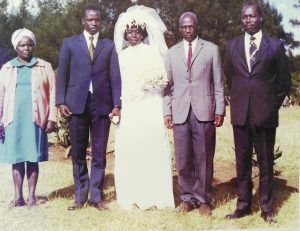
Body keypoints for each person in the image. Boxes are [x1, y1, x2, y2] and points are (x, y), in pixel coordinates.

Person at [223, 2, 291, 223]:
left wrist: (270, 105)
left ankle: (266, 207)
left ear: (261, 18)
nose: (248, 20)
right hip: (241, 113)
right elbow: (229, 77)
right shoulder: (232, 45)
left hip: (265, 115)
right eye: (244, 17)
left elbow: (283, 82)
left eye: (252, 16)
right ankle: (243, 205)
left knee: (265, 163)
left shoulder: (275, 46)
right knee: (242, 162)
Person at [56, 4, 121, 211]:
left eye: (97, 20)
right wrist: (60, 101)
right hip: (76, 104)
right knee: (77, 152)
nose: (94, 23)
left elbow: (115, 76)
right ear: (83, 21)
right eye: (90, 20)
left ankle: (96, 196)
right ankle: (79, 195)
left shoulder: (108, 46)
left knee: (99, 153)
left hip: (102, 104)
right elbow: (62, 74)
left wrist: (117, 104)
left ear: (100, 22)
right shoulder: (70, 43)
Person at [163, 12, 225, 215]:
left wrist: (220, 109)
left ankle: (204, 199)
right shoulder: (171, 53)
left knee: (204, 157)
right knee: (183, 158)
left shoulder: (211, 50)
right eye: (184, 27)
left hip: (205, 111)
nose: (188, 30)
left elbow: (218, 83)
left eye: (191, 26)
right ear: (179, 29)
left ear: (197, 26)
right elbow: (167, 86)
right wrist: (167, 111)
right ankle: (187, 198)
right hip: (180, 111)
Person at [113, 5, 175, 210]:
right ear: (125, 34)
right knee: (132, 146)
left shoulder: (152, 52)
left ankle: (154, 194)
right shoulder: (121, 55)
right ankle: (133, 193)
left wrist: (149, 86)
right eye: (130, 32)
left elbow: (161, 78)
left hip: (149, 104)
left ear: (142, 33)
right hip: (130, 106)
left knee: (151, 145)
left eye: (137, 31)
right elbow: (118, 81)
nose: (133, 35)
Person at [0, 28, 56, 208]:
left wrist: (52, 117)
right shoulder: (7, 67)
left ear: (34, 46)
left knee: (32, 158)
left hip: (35, 118)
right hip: (12, 119)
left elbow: (53, 93)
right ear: (16, 47)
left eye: (30, 44)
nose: (26, 48)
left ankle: (32, 196)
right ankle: (18, 196)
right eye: (22, 45)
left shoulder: (44, 66)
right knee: (16, 158)